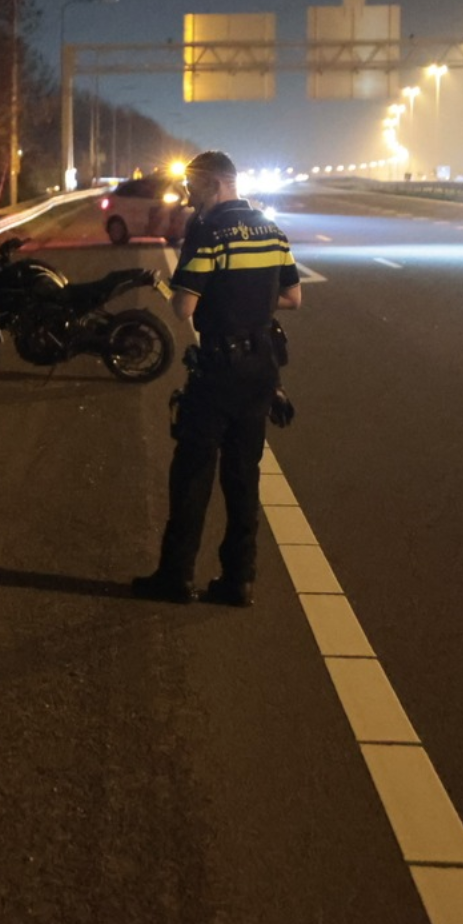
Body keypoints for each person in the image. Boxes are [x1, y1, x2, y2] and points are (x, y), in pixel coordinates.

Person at [132, 150, 303, 607]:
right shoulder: (271, 229)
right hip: (261, 368)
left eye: (192, 189)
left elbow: (184, 306)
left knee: (192, 473)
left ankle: (176, 577)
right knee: (244, 477)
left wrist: (202, 295)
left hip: (218, 371)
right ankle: (238, 580)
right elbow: (293, 296)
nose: (189, 200)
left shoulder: (207, 232)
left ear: (212, 184)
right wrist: (252, 302)